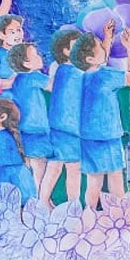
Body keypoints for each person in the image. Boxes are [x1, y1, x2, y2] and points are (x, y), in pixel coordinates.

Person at [72, 23, 130, 208]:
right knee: (116, 179)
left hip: (87, 136)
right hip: (108, 135)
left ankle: (89, 215)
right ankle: (121, 215)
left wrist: (107, 38)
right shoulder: (106, 75)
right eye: (100, 45)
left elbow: (99, 61)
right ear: (89, 58)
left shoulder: (81, 77)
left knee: (93, 182)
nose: (104, 47)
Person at [8, 42, 55, 199]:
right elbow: (54, 86)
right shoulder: (33, 76)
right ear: (26, 63)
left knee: (35, 167)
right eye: (35, 55)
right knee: (41, 168)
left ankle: (40, 201)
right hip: (36, 129)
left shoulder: (18, 79)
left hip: (25, 129)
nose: (40, 56)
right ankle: (42, 201)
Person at [46, 29, 83, 206]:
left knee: (56, 167)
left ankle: (45, 201)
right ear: (65, 51)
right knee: (70, 168)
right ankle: (72, 205)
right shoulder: (73, 72)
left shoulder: (61, 70)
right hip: (70, 128)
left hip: (60, 127)